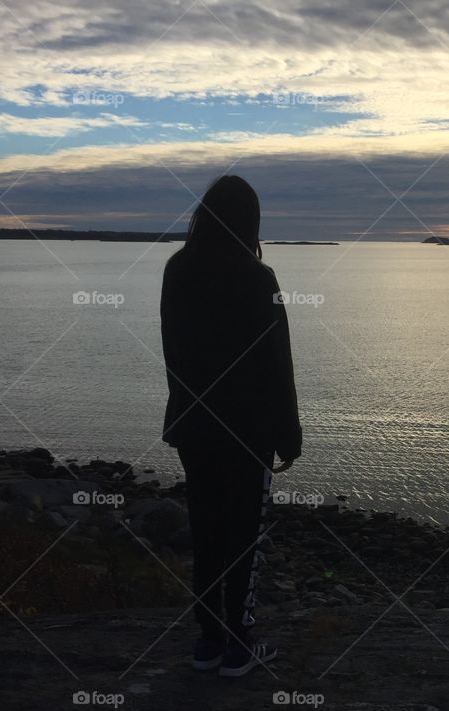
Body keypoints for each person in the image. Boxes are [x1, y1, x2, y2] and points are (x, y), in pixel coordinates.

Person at [160, 175, 302, 677]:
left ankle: (208, 642)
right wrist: (289, 435)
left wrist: (183, 411)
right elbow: (275, 364)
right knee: (243, 535)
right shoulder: (257, 278)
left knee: (207, 530)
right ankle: (239, 644)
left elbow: (172, 355)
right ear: (251, 222)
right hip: (248, 430)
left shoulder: (177, 270)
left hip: (194, 427)